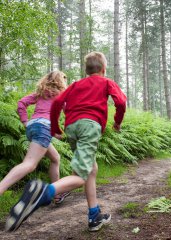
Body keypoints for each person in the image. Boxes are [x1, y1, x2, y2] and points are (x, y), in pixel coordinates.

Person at [5, 52, 127, 232]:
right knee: (81, 175)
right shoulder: (106, 82)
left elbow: (58, 103)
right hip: (89, 127)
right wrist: (117, 122)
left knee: (91, 168)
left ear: (86, 70)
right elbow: (121, 102)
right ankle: (43, 193)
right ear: (103, 69)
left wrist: (56, 128)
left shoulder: (76, 84)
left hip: (72, 127)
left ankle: (94, 215)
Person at [0, 70, 70, 205]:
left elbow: (21, 103)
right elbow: (69, 113)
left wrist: (25, 121)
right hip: (44, 128)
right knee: (30, 164)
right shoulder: (62, 96)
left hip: (33, 127)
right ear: (61, 81)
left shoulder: (40, 93)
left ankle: (56, 194)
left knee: (55, 158)